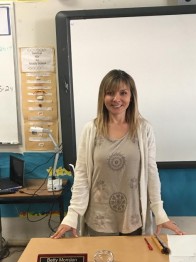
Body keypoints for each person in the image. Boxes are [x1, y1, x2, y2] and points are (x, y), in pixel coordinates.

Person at [52, 69, 184, 239]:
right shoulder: (91, 130)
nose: (116, 99)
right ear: (102, 97)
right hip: (99, 218)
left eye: (123, 93)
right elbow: (82, 175)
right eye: (110, 93)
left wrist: (159, 212)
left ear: (131, 96)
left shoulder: (144, 130)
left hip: (134, 218)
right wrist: (72, 215)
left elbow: (151, 172)